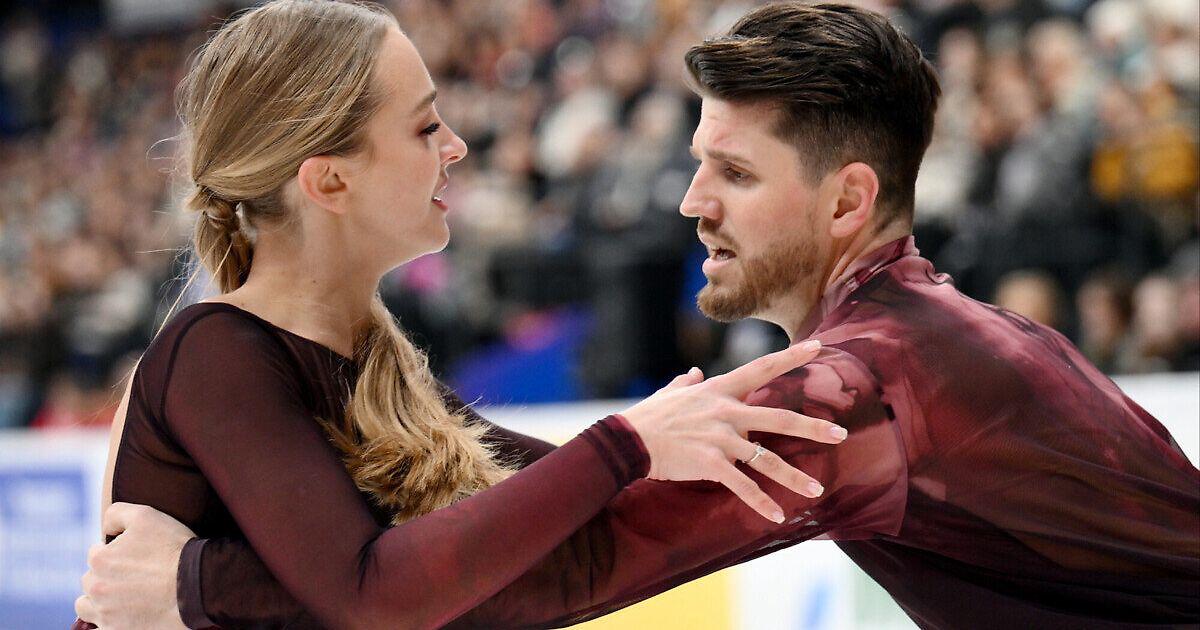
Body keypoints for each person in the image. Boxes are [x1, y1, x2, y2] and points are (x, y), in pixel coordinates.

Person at [81, 2, 1200, 629]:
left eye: (734, 173)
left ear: (846, 201)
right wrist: (629, 445)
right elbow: (512, 504)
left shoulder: (860, 389)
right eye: (699, 160)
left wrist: (195, 589)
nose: (688, 201)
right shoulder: (933, 338)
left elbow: (553, 569)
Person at [70, 1, 849, 628]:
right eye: (423, 127)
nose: (457, 146)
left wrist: (203, 583)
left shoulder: (372, 363)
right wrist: (628, 444)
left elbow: (556, 541)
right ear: (329, 182)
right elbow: (374, 598)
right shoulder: (216, 353)